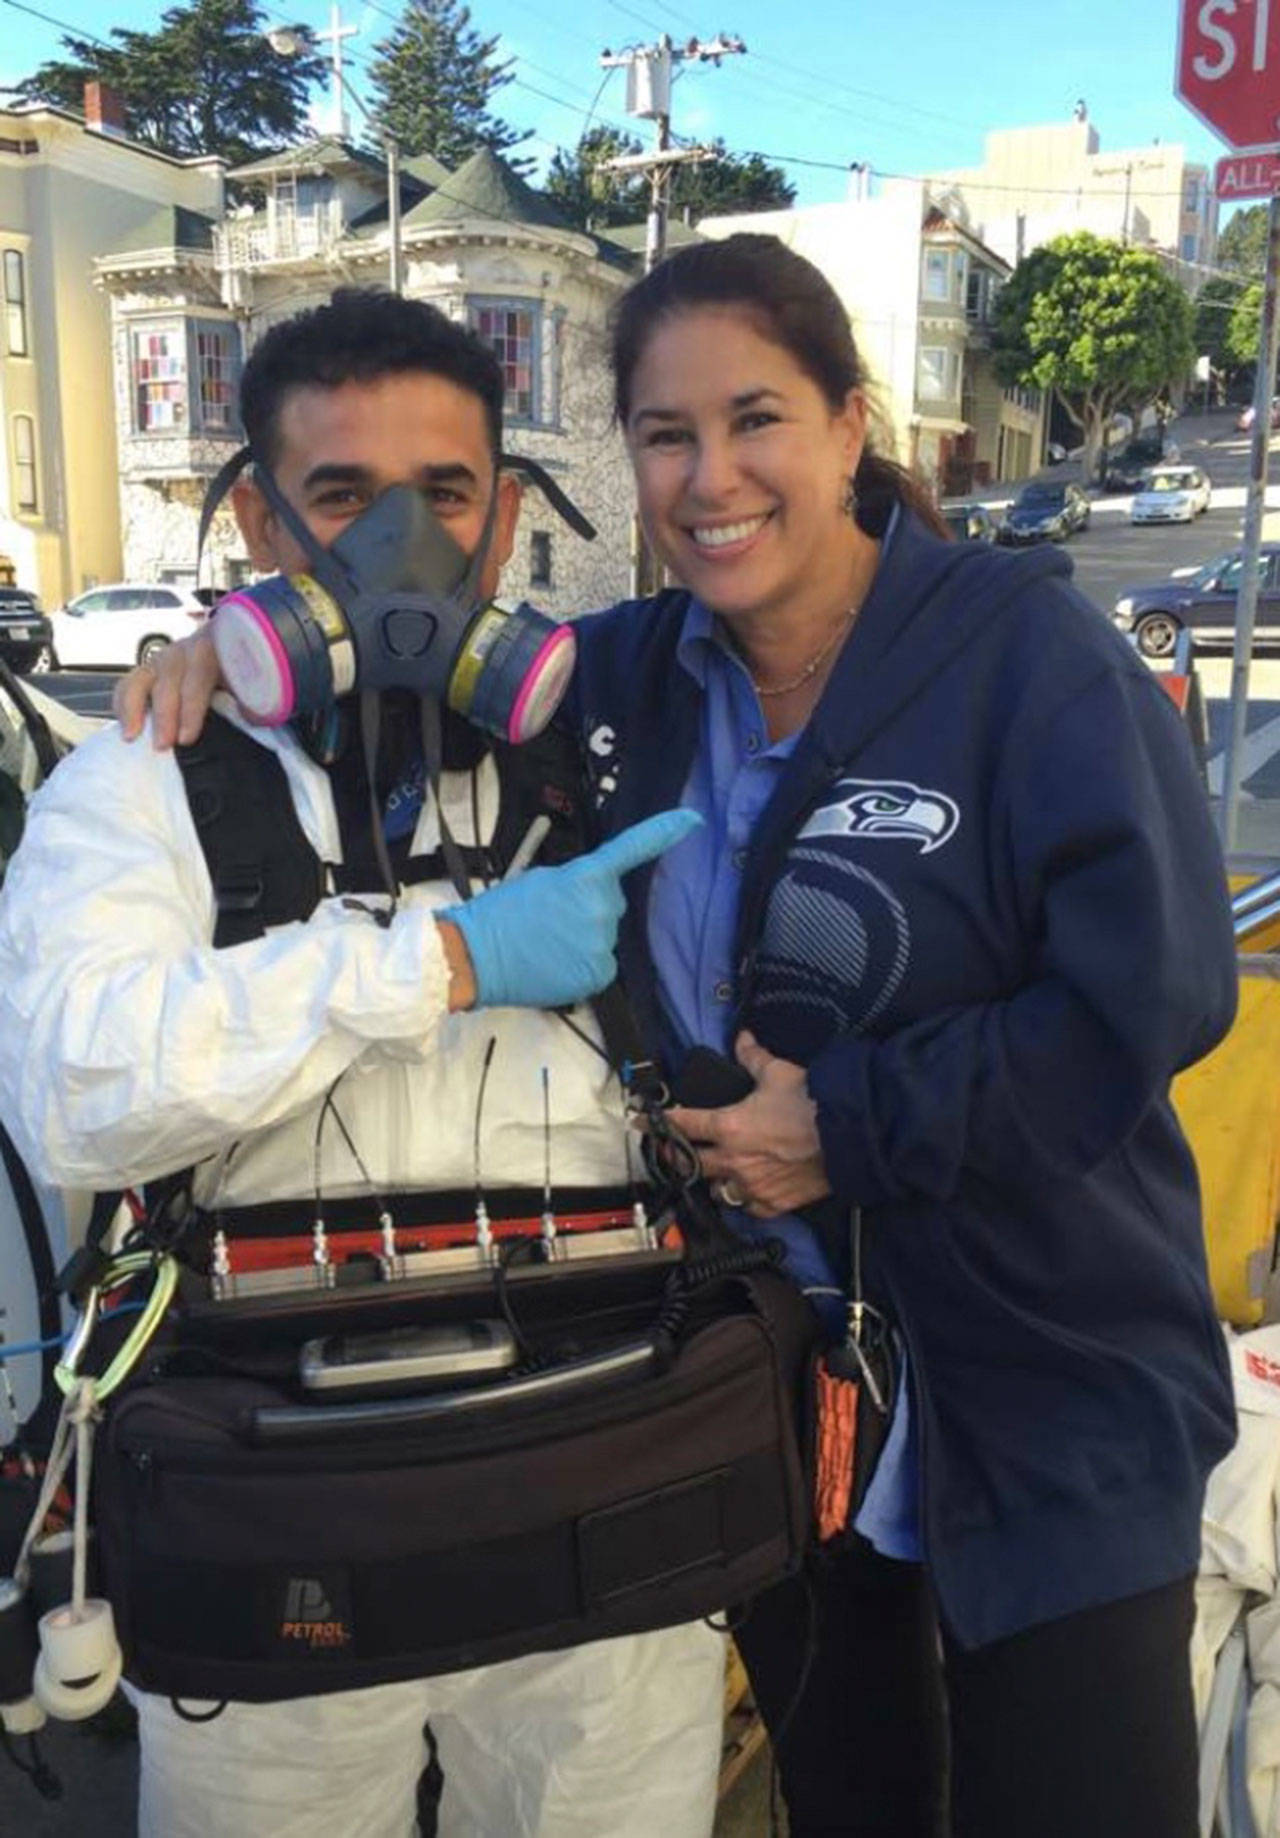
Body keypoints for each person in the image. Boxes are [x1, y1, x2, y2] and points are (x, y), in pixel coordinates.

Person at [120, 236, 1239, 1838]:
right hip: (769, 1395)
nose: (711, 476)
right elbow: (386, 663)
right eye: (665, 435)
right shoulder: (622, 685)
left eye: (757, 418)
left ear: (853, 428)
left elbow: (1154, 999)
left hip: (1045, 1392)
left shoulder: (1028, 661)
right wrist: (208, 668)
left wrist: (848, 1126)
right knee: (852, 1806)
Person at [0, 290, 727, 1838]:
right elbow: (71, 1089)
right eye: (342, 497)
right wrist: (440, 963)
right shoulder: (146, 769)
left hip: (603, 1475)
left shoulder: (616, 735)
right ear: (263, 521)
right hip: (279, 1512)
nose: (397, 540)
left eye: (442, 494)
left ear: (504, 513)